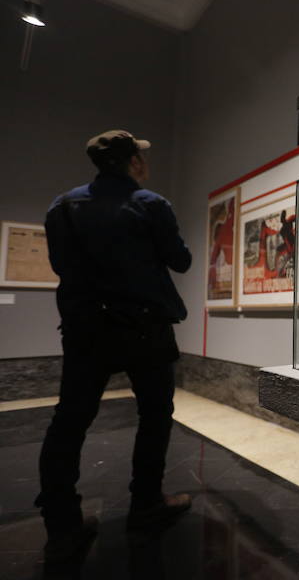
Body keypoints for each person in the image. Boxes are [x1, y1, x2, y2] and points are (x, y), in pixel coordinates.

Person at [37, 129, 192, 563]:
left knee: (69, 423)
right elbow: (180, 260)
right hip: (145, 327)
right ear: (133, 163)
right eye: (141, 158)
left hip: (87, 329)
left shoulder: (63, 206)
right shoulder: (150, 204)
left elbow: (60, 264)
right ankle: (146, 505)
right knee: (155, 415)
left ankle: (62, 525)